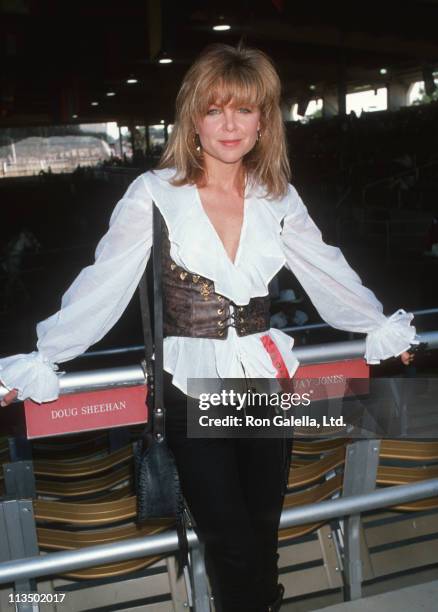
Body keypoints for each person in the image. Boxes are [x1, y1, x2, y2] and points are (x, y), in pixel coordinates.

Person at [0, 44, 417, 611]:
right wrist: (42, 359)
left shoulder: (277, 198)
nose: (230, 124)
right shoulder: (154, 193)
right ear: (193, 117)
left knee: (263, 531)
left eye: (244, 110)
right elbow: (103, 283)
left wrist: (380, 327)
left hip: (263, 381)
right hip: (190, 383)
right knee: (229, 540)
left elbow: (328, 268)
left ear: (263, 120)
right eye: (215, 109)